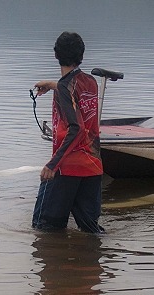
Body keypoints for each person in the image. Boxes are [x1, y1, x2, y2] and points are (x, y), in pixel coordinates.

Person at [32, 31, 104, 233]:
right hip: (93, 167)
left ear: (56, 55)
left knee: (44, 229)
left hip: (67, 167)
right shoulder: (90, 82)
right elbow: (73, 89)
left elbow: (76, 128)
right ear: (81, 56)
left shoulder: (65, 88)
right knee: (91, 231)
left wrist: (52, 165)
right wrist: (54, 85)